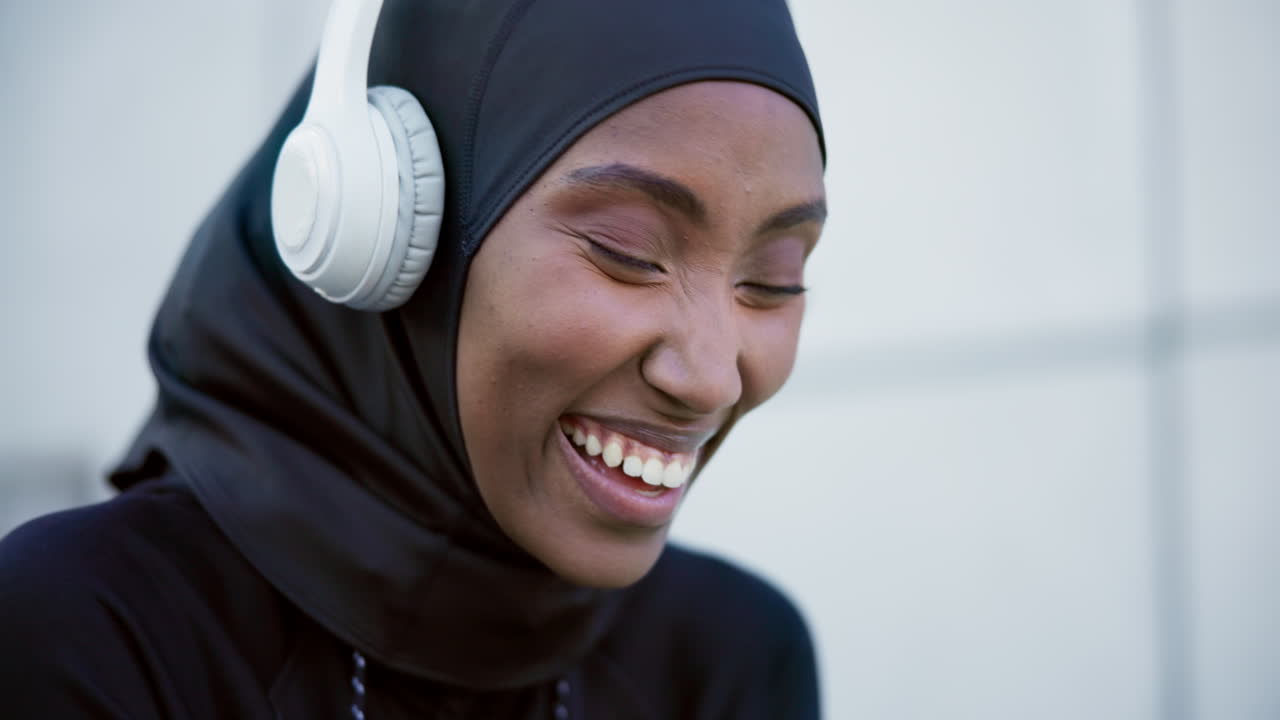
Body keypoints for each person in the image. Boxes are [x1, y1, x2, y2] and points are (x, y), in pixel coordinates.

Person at [0, 0, 827, 717]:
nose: (714, 376)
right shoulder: (88, 635)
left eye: (772, 280)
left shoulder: (731, 659)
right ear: (389, 229)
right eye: (627, 251)